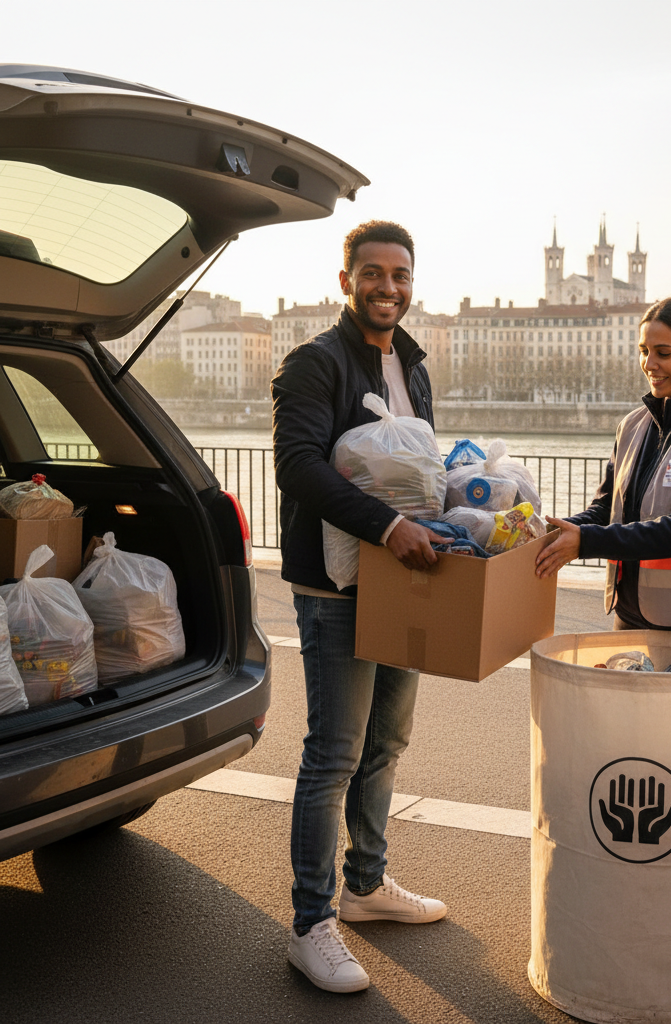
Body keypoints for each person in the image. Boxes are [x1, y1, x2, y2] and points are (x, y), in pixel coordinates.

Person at [272, 220, 447, 994]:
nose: (388, 287)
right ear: (346, 279)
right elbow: (297, 467)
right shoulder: (314, 362)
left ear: (413, 284)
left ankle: (367, 886)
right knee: (334, 753)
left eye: (400, 275)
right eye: (372, 273)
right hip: (336, 585)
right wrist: (387, 524)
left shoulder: (413, 363)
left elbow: (420, 466)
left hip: (403, 577)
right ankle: (311, 924)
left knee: (387, 740)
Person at [536, 296, 671, 638]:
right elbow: (605, 510)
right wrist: (551, 531)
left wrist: (584, 542)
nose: (649, 363)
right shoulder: (632, 425)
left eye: (663, 353)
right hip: (630, 617)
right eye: (644, 350)